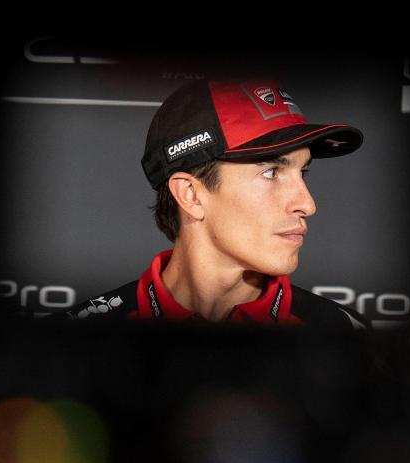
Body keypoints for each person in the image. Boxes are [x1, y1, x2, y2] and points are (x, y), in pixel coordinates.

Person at [53, 78, 370, 330]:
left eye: (303, 172)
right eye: (272, 172)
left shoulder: (346, 336)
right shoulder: (71, 341)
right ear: (190, 195)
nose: (307, 204)